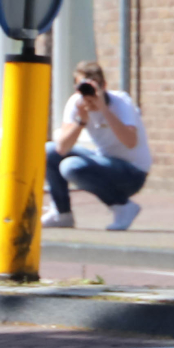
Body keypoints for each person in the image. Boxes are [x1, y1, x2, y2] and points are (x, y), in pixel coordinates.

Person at [43, 60, 151, 232]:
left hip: (132, 173)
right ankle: (61, 213)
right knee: (48, 151)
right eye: (82, 87)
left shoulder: (120, 102)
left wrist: (104, 109)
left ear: (104, 86)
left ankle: (122, 206)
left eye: (93, 87)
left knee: (71, 167)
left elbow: (131, 142)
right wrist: (81, 121)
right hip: (103, 162)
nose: (88, 94)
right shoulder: (76, 103)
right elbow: (61, 148)